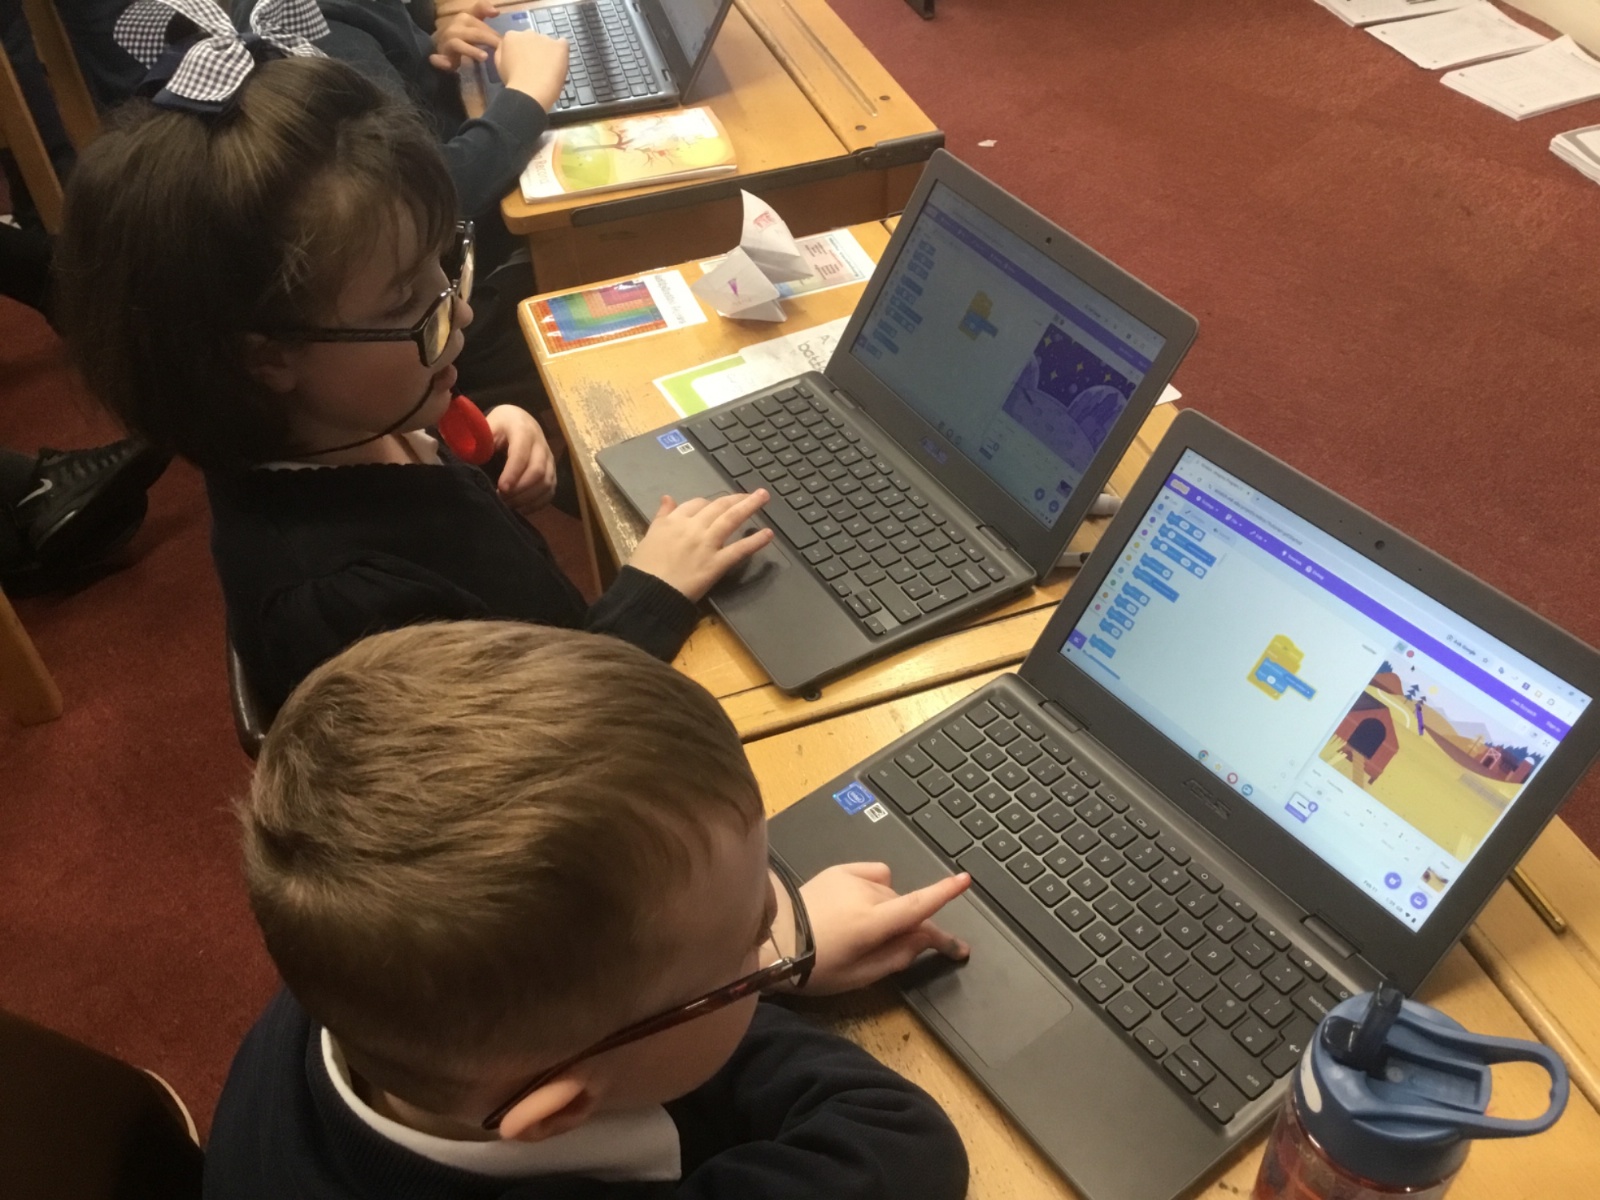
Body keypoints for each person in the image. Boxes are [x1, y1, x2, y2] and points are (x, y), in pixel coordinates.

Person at [54, 11, 771, 721]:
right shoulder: (345, 605)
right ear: (268, 358)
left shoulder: (346, 421)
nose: (460, 314)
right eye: (405, 302)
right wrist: (651, 592)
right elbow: (552, 740)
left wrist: (486, 443)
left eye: (445, 262)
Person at [207, 621, 973, 1199]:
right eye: (756, 933)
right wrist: (777, 967)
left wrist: (716, 971)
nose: (778, 920)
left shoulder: (368, 971)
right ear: (558, 1111)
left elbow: (640, 1038)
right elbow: (901, 1142)